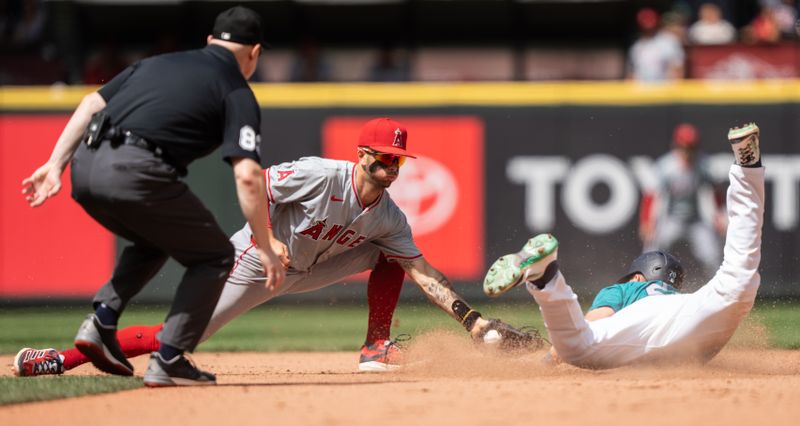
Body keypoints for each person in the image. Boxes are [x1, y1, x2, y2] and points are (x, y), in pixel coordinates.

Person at [14, 117, 539, 379]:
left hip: (310, 264)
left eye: (399, 161)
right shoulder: (318, 174)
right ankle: (56, 360)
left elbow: (423, 271)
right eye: (383, 158)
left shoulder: (388, 215)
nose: (392, 168)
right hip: (252, 260)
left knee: (393, 254)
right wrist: (266, 244)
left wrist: (471, 320)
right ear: (361, 155)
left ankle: (374, 348)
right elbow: (256, 184)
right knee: (176, 338)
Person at [19, 6, 285, 386]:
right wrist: (264, 243)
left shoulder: (154, 64)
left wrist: (54, 164)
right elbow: (247, 176)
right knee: (214, 256)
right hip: (137, 171)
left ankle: (102, 322)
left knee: (154, 241)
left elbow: (91, 104)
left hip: (85, 168)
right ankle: (170, 358)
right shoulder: (237, 91)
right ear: (255, 53)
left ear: (210, 41)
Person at [484, 122, 764, 369]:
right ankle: (747, 167)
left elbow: (593, 321)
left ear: (639, 275)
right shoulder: (676, 297)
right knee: (739, 279)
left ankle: (546, 278)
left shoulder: (627, 288)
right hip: (693, 311)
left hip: (642, 328)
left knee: (577, 348)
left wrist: (550, 357)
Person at [639, 123, 725, 279]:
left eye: (691, 148)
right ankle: (644, 286)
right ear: (676, 146)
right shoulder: (666, 166)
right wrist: (647, 221)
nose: (687, 152)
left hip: (695, 221)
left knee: (712, 255)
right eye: (684, 147)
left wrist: (719, 215)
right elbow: (651, 195)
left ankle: (720, 292)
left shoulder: (703, 165)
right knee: (651, 251)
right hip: (672, 219)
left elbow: (715, 191)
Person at [628, 8, 686, 81]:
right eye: (645, 26)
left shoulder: (669, 42)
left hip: (665, 89)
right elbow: (633, 74)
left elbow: (677, 70)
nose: (648, 29)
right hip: (642, 90)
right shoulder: (636, 47)